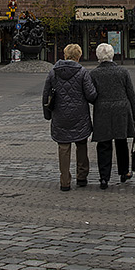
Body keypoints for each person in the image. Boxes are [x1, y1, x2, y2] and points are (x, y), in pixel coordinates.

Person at [43, 44, 97, 191]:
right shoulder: (82, 72)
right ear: (78, 56)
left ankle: (65, 181)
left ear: (65, 55)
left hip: (60, 115)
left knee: (63, 147)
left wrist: (47, 114)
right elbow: (91, 95)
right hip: (79, 115)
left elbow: (46, 94)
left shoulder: (53, 72)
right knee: (81, 145)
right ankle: (82, 176)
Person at [89, 43, 135, 188]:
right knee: (121, 142)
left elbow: (91, 95)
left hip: (102, 110)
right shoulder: (122, 72)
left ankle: (104, 177)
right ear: (112, 55)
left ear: (98, 56)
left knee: (103, 145)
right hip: (121, 110)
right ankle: (124, 172)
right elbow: (131, 94)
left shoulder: (93, 74)